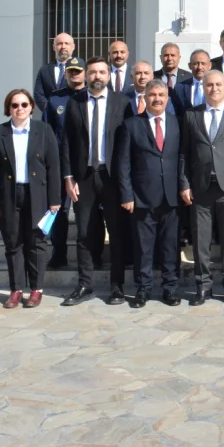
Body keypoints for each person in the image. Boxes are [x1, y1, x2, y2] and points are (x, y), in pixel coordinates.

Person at [59, 57, 134, 306]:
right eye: (92, 72)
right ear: (86, 76)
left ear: (109, 76)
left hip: (112, 177)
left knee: (117, 233)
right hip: (84, 177)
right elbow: (67, 143)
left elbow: (129, 144)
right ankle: (85, 285)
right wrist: (68, 177)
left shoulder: (122, 103)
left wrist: (128, 182)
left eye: (102, 72)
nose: (97, 76)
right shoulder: (74, 103)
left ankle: (117, 287)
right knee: (84, 233)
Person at [179, 70, 224, 306]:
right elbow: (184, 153)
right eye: (209, 85)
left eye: (218, 84)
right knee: (201, 241)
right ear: (204, 87)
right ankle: (203, 287)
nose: (214, 89)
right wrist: (184, 183)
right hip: (200, 187)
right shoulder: (191, 115)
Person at [0, 89, 61, 309]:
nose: (19, 109)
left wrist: (55, 198)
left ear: (31, 107)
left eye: (24, 105)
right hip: (9, 195)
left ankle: (36, 290)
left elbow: (53, 166)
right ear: (8, 108)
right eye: (15, 105)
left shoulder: (43, 130)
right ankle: (16, 289)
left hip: (37, 194)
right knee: (13, 242)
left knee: (36, 243)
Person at [116, 80, 182, 308]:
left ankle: (170, 288)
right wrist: (126, 195)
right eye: (152, 95)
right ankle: (143, 290)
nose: (157, 99)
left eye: (161, 95)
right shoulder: (131, 125)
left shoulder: (176, 123)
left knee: (170, 246)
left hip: (172, 197)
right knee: (143, 248)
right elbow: (123, 164)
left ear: (167, 98)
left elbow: (181, 159)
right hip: (142, 198)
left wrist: (184, 187)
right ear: (144, 98)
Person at [42, 56, 88, 269]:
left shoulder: (92, 96)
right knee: (58, 210)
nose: (74, 74)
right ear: (65, 73)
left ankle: (90, 255)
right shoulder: (55, 100)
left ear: (85, 73)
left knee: (88, 212)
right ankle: (59, 254)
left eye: (78, 70)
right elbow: (46, 132)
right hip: (60, 163)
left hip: (86, 164)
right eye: (71, 71)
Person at [34, 32, 75, 112]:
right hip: (50, 117)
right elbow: (38, 95)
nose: (63, 46)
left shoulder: (80, 69)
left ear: (73, 47)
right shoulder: (44, 70)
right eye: (59, 43)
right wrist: (50, 109)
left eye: (67, 43)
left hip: (72, 115)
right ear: (54, 47)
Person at [173, 49, 212, 113]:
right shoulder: (179, 88)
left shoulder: (217, 87)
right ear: (189, 66)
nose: (199, 67)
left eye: (203, 63)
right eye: (195, 64)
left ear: (210, 65)